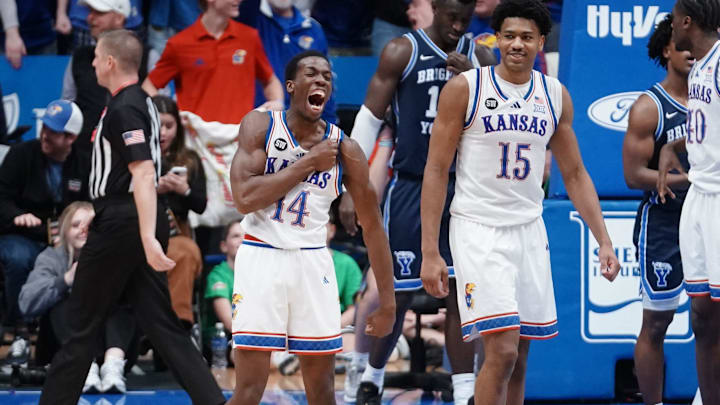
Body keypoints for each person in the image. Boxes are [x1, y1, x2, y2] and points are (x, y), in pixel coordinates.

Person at [420, 2, 621, 405]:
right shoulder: (466, 88)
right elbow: (437, 169)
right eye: (508, 36)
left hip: (529, 229)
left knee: (521, 356)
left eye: (527, 37)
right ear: (495, 39)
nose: (516, 44)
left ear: (541, 42)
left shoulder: (554, 94)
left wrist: (604, 239)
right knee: (503, 349)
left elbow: (576, 173)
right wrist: (430, 251)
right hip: (478, 227)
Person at [38, 29, 225, 405]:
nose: (90, 64)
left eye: (95, 58)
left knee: (81, 325)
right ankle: (214, 401)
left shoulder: (126, 106)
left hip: (126, 222)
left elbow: (141, 173)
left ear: (109, 62)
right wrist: (106, 213)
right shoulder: (137, 102)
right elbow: (126, 174)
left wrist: (144, 236)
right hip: (125, 216)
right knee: (162, 325)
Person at [342, 1, 495, 403]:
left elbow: (496, 124)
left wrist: (477, 82)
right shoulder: (402, 51)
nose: (458, 26)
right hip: (411, 185)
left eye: (465, 19)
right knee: (398, 291)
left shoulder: (480, 56)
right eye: (452, 17)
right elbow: (369, 120)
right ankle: (371, 375)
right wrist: (350, 186)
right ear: (436, 8)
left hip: (462, 189)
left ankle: (464, 391)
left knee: (462, 292)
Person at [226, 50, 396, 405]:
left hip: (313, 262)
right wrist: (306, 165)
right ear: (290, 86)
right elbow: (243, 198)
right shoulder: (260, 128)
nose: (320, 80)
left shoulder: (345, 150)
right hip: (261, 257)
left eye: (326, 77)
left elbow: (374, 228)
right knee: (249, 390)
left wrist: (388, 303)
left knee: (322, 392)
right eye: (311, 73)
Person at [622, 15, 694, 405]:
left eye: (694, 46)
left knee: (711, 320)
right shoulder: (649, 107)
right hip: (665, 221)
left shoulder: (713, 100)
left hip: (709, 219)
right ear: (666, 49)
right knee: (656, 323)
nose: (689, 53)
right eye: (680, 45)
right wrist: (694, 181)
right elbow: (633, 175)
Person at [657, 1, 720, 403]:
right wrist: (674, 144)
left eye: (673, 17)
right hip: (699, 196)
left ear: (686, 22)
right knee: (702, 316)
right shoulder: (700, 66)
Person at [0, 99, 87, 363]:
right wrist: (17, 216)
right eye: (45, 127)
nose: (45, 134)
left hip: (66, 240)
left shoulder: (84, 163)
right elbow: (1, 197)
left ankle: (79, 336)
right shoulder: (21, 155)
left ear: (70, 137)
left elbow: (90, 205)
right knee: (18, 258)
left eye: (54, 131)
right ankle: (20, 332)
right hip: (22, 235)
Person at [18, 201, 136, 394]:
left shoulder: (116, 256)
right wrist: (65, 280)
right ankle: (84, 368)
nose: (83, 230)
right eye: (75, 225)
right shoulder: (52, 257)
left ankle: (112, 366)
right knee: (62, 300)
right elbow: (26, 303)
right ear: (64, 232)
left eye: (89, 225)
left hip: (111, 348)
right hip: (65, 350)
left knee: (124, 297)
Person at [143, 0, 284, 123]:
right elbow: (149, 86)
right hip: (195, 143)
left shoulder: (249, 38)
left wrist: (277, 103)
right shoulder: (179, 44)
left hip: (239, 141)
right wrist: (164, 115)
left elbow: (270, 81)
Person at [61, 0, 156, 155]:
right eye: (89, 12)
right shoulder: (80, 57)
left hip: (131, 156)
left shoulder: (146, 57)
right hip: (83, 156)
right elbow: (68, 106)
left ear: (119, 18)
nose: (90, 18)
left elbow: (157, 107)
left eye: (98, 12)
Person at [153, 95, 207, 329]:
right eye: (158, 125)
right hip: (137, 229)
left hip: (176, 234)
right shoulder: (136, 156)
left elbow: (201, 205)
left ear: (178, 126)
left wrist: (183, 189)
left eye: (169, 126)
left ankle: (178, 327)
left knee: (185, 252)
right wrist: (153, 189)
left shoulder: (190, 159)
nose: (163, 132)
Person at [238, 0, 338, 123]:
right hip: (258, 121)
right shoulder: (249, 20)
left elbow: (324, 85)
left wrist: (330, 129)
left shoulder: (313, 29)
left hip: (301, 127)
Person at [203, 219, 243, 345]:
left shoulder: (260, 273)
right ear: (224, 246)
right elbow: (229, 323)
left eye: (247, 236)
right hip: (224, 341)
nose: (243, 240)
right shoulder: (218, 275)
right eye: (236, 236)